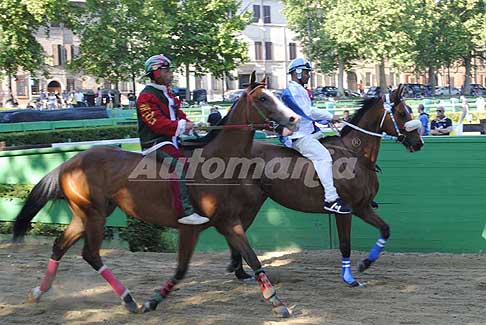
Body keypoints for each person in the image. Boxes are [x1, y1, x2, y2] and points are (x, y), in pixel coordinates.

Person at [136, 54, 209, 225]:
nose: (171, 74)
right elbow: (156, 123)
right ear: (155, 73)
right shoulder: (146, 96)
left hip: (172, 139)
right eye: (166, 70)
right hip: (155, 143)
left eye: (170, 70)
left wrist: (193, 124)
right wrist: (183, 126)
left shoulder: (168, 93)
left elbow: (178, 115)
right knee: (179, 165)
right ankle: (184, 212)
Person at [281, 57, 351, 214]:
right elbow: (308, 112)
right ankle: (331, 200)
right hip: (298, 137)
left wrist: (328, 119)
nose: (308, 75)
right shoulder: (294, 90)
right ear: (297, 73)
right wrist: (330, 115)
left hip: (309, 133)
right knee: (324, 157)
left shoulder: (300, 90)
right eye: (306, 72)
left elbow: (310, 113)